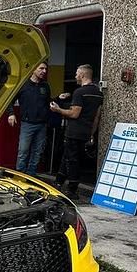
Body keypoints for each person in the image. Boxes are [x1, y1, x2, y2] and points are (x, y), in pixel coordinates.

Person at [50, 64, 103, 200]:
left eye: (76, 74)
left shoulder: (79, 92)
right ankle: (58, 182)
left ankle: (72, 190)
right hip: (86, 131)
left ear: (82, 75)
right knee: (67, 157)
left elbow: (74, 114)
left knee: (72, 160)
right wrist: (91, 133)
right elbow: (97, 116)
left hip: (74, 131)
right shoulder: (98, 93)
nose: (75, 76)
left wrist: (58, 110)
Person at [7, 62, 51, 177]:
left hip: (42, 124)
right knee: (23, 151)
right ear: (33, 69)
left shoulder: (45, 86)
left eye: (45, 69)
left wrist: (58, 99)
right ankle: (20, 175)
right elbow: (9, 101)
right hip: (27, 123)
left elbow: (48, 102)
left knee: (37, 152)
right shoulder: (23, 85)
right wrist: (11, 114)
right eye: (41, 68)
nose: (44, 71)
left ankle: (31, 174)